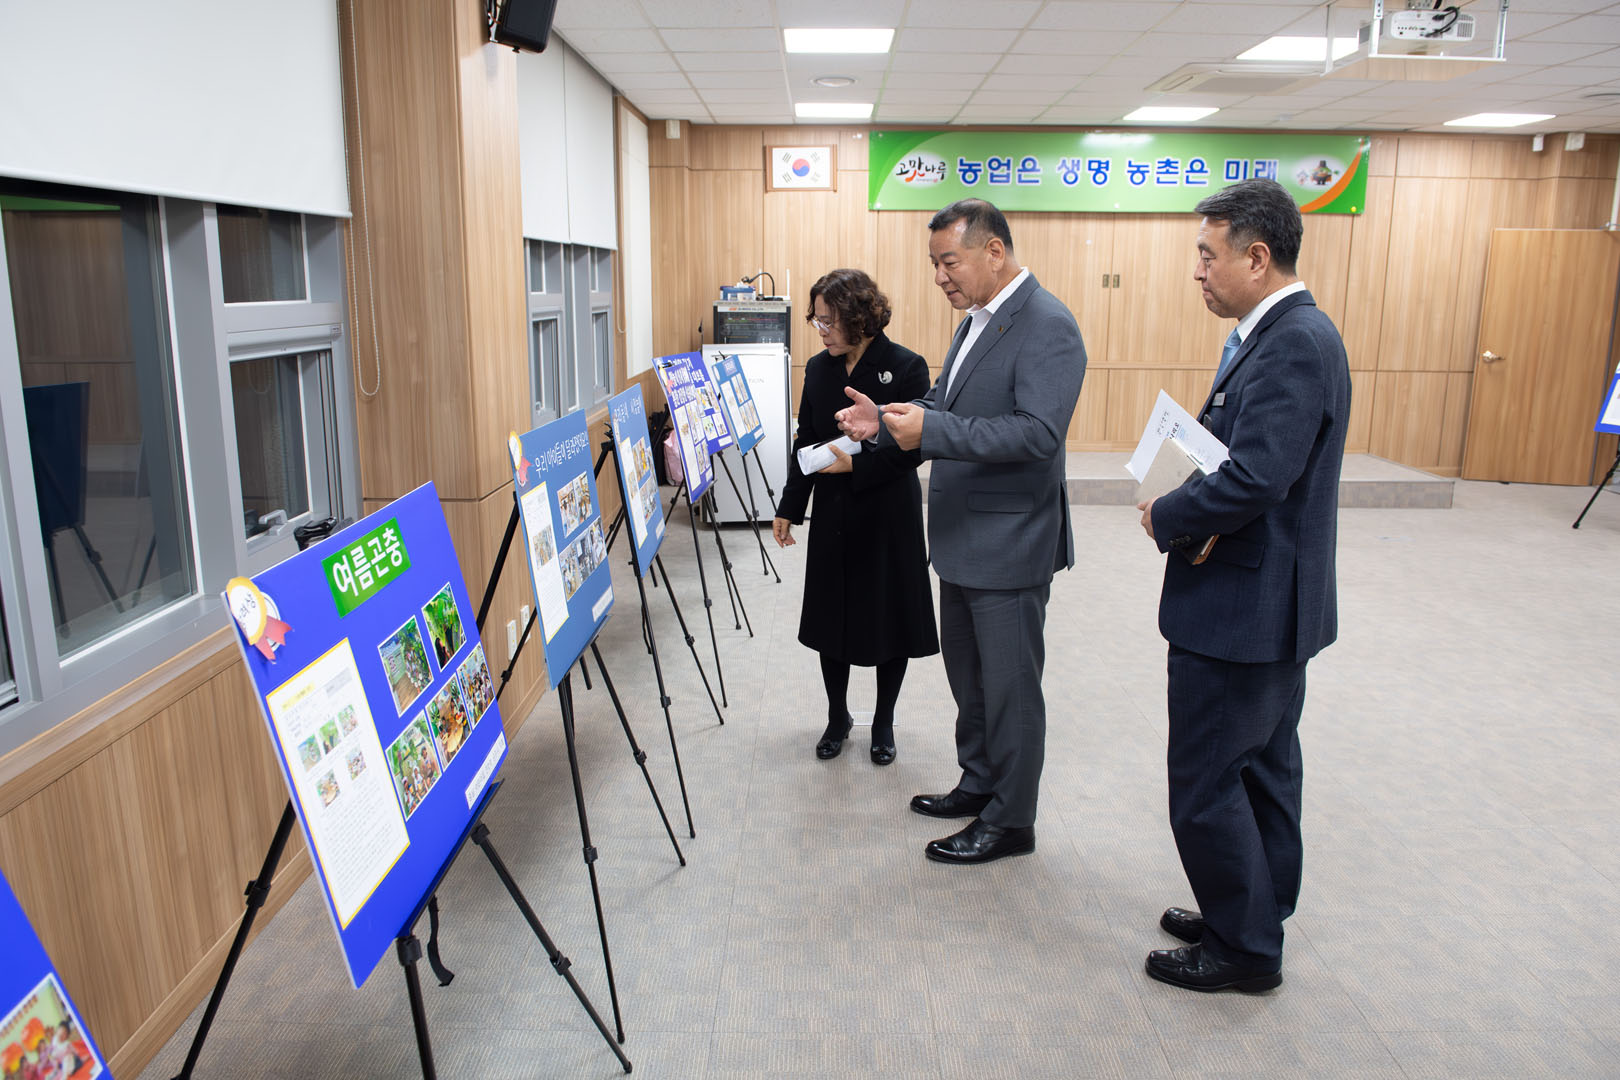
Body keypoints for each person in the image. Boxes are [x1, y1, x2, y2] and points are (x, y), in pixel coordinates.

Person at [1135, 178, 1351, 993]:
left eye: (1207, 254)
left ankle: (1246, 948)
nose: (1198, 269)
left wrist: (1168, 512)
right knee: (1262, 770)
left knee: (1207, 780)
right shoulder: (1285, 333)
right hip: (1267, 604)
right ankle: (1252, 909)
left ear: (1257, 258)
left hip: (1242, 610)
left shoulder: (1293, 341)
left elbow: (1258, 476)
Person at [836, 199, 1085, 865]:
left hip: (1009, 542)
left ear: (994, 251)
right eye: (934, 263)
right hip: (964, 539)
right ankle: (980, 783)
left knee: (1009, 690)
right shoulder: (978, 320)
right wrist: (887, 421)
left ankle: (1012, 820)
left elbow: (1037, 433)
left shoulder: (1047, 324)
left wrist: (934, 430)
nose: (940, 276)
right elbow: (945, 405)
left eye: (950, 261)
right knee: (971, 682)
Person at [773, 269, 939, 765]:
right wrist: (790, 506)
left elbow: (915, 449)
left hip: (888, 513)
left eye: (830, 321)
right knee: (833, 619)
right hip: (834, 511)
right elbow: (807, 440)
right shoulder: (819, 368)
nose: (821, 331)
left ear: (860, 317)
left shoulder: (906, 366)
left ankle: (883, 721)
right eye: (817, 321)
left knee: (890, 620)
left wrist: (858, 464)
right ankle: (837, 716)